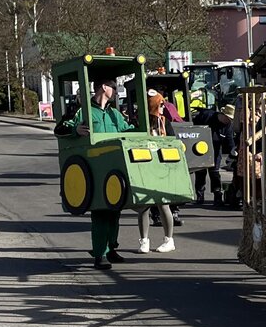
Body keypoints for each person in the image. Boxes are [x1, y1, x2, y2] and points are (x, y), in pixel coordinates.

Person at [54, 79, 135, 270]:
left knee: (115, 211)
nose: (116, 92)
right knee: (100, 214)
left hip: (114, 167)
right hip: (95, 168)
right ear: (104, 88)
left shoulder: (115, 114)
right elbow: (60, 129)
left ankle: (111, 248)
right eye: (114, 88)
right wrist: (75, 130)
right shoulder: (83, 111)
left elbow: (127, 131)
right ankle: (100, 254)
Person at [138, 91, 177, 253]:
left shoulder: (165, 122)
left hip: (162, 167)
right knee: (143, 205)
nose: (163, 107)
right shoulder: (141, 122)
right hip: (145, 165)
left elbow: (173, 141)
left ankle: (169, 239)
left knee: (164, 203)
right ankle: (144, 240)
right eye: (160, 104)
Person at [192, 103, 237, 206]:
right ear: (223, 115)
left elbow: (229, 140)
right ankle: (200, 196)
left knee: (215, 173)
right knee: (200, 173)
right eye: (229, 118)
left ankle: (217, 196)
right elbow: (194, 128)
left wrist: (233, 151)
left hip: (215, 150)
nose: (230, 121)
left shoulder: (228, 126)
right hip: (200, 148)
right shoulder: (206, 116)